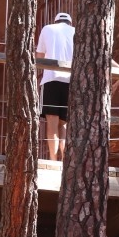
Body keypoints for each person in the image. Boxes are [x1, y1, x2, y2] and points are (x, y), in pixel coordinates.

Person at [36, 11, 75, 161]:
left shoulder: (47, 29)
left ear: (56, 20)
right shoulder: (76, 32)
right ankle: (65, 160)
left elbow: (39, 58)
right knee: (63, 124)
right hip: (71, 82)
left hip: (51, 79)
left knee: (52, 123)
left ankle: (53, 160)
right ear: (69, 22)